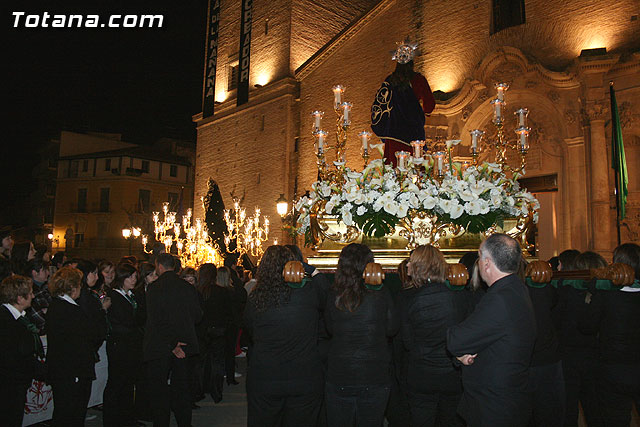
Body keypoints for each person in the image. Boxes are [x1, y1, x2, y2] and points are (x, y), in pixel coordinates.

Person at [447, 233, 536, 427]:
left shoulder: (499, 298)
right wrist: (465, 352)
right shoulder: (516, 288)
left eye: (479, 258)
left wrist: (462, 350)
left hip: (495, 403)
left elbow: (456, 340)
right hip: (509, 394)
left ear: (486, 263)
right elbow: (493, 336)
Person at [243, 245, 325, 426]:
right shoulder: (308, 295)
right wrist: (312, 269)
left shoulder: (256, 298)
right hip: (303, 376)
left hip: (265, 376)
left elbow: (250, 329)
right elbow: (327, 295)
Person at [324, 243, 399, 426]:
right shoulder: (381, 294)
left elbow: (329, 328)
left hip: (340, 373)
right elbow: (392, 329)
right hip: (374, 374)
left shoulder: (334, 293)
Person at [399, 246, 469, 427]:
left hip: (422, 375)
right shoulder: (458, 297)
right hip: (452, 375)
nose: (407, 267)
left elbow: (408, 342)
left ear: (419, 268)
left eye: (410, 263)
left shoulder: (409, 299)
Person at [582, 243, 640, 427]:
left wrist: (590, 296)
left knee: (615, 419)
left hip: (612, 370)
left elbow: (587, 326)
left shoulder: (605, 296)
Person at [143, 253, 202, 427]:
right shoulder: (187, 287)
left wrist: (171, 343)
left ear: (159, 266)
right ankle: (185, 422)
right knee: (182, 388)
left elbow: (155, 320)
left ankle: (161, 422)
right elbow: (197, 316)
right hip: (183, 346)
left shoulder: (154, 288)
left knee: (159, 390)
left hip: (160, 346)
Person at [46, 266, 98, 426]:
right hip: (72, 371)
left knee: (64, 411)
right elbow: (85, 338)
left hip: (63, 370)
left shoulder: (56, 306)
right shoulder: (70, 311)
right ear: (72, 287)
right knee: (71, 413)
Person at [370, 40, 435, 167]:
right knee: (414, 168)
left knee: (393, 170)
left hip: (393, 135)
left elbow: (379, 104)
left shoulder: (389, 81)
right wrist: (424, 111)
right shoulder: (418, 80)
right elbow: (430, 106)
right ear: (412, 61)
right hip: (413, 135)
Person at [558, 251, 604, 427]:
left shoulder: (567, 292)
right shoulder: (604, 294)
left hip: (569, 357)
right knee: (594, 409)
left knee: (569, 411)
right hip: (594, 357)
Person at [524, 255, 565, 427]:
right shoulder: (555, 293)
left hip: (527, 359)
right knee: (549, 410)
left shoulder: (520, 294)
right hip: (549, 360)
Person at [0, 275, 44, 427]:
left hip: (16, 383)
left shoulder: (18, 318)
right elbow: (18, 357)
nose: (33, 296)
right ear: (20, 298)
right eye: (30, 293)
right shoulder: (6, 321)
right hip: (9, 385)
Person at [103, 263, 143, 427]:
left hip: (131, 345)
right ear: (123, 278)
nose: (134, 280)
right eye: (131, 277)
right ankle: (113, 419)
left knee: (128, 383)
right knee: (117, 383)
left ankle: (127, 417)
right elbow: (123, 321)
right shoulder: (113, 296)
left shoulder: (130, 295)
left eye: (135, 276)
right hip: (120, 345)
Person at [197, 263, 233, 403]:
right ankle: (216, 391)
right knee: (217, 362)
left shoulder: (197, 291)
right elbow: (228, 313)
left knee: (201, 363)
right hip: (218, 330)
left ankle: (200, 390)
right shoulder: (221, 291)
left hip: (201, 331)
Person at [76, 260, 110, 363]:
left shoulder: (88, 293)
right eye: (94, 273)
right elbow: (91, 320)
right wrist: (103, 309)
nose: (97, 277)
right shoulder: (83, 296)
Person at [25, 257, 52, 335]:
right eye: (44, 270)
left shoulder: (44, 288)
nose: (48, 273)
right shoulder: (31, 291)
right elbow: (40, 321)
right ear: (35, 273)